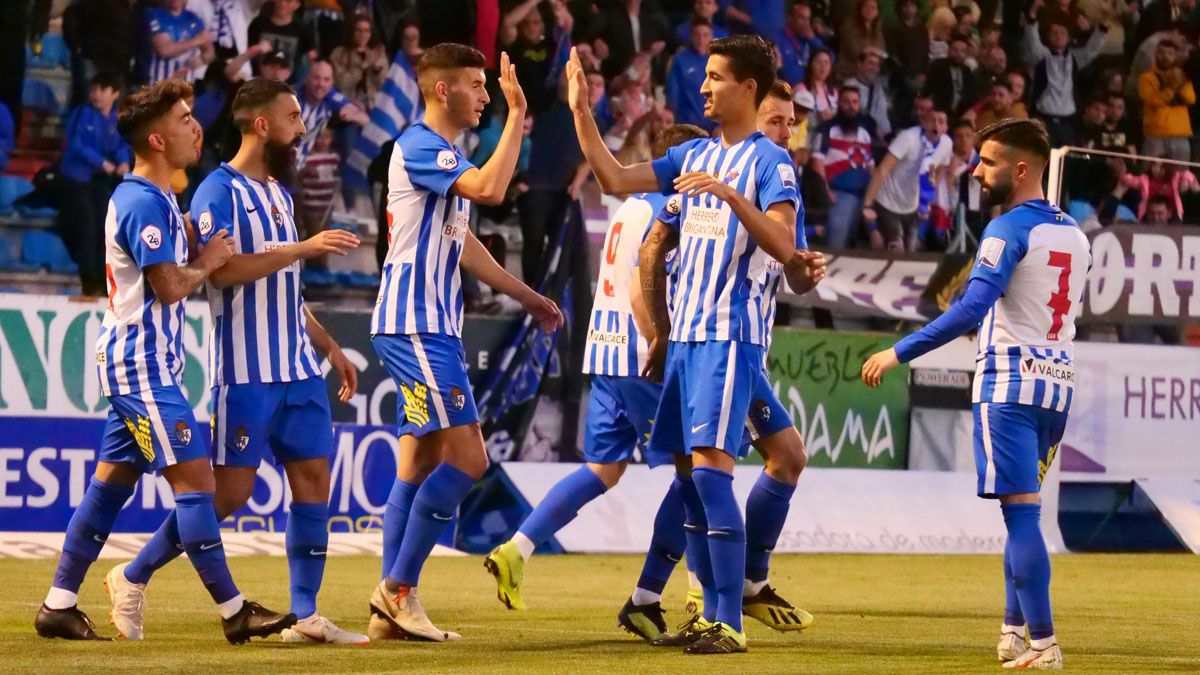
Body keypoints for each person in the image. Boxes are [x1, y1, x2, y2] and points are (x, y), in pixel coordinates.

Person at [563, 34, 815, 654]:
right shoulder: (698, 154)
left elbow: (785, 244)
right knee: (709, 471)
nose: (703, 87)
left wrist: (731, 197)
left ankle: (725, 615)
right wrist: (579, 112)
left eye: (716, 77)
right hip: (687, 341)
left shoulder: (768, 163)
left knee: (708, 475)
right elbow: (615, 177)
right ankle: (730, 593)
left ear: (747, 89)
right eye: (704, 76)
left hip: (728, 338)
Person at [101, 77, 365, 644]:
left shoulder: (278, 193)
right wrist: (304, 247)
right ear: (263, 124)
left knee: (315, 479)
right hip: (247, 371)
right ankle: (132, 573)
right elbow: (221, 271)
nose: (302, 129)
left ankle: (305, 613)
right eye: (293, 118)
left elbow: (286, 287)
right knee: (229, 494)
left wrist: (326, 345)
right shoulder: (216, 190)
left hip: (298, 368)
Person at [33, 78, 294, 644]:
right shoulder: (140, 201)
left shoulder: (158, 198)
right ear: (156, 139)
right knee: (198, 482)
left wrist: (203, 258)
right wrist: (210, 260)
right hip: (141, 364)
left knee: (109, 489)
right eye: (183, 120)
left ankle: (58, 604)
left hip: (147, 364)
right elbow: (172, 287)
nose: (196, 127)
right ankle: (233, 611)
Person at [862, 117, 1090, 670]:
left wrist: (899, 351)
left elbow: (970, 308)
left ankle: (1044, 643)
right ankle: (1015, 630)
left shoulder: (1008, 230)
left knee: (1020, 517)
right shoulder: (1075, 234)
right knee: (1025, 512)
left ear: (1019, 169)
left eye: (988, 162)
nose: (977, 170)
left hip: (1009, 382)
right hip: (1056, 385)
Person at [367, 44, 562, 642]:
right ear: (441, 90)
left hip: (423, 323)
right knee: (469, 460)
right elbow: (490, 190)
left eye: (487, 87)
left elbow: (463, 243)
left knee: (420, 462)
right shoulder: (423, 144)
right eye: (476, 86)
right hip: (417, 323)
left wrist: (527, 295)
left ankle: (388, 614)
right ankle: (397, 591)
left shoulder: (443, 155)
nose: (484, 95)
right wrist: (516, 114)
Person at [58, 72, 132, 296]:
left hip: (99, 183)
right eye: (94, 89)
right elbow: (77, 145)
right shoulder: (82, 114)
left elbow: (121, 145)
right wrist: (102, 163)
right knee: (86, 225)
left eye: (102, 89)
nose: (96, 94)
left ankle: (104, 280)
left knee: (105, 227)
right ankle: (88, 279)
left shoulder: (117, 120)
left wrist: (123, 162)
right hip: (76, 180)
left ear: (115, 93)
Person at [861, 107, 952, 251]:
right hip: (888, 201)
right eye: (932, 120)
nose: (936, 125)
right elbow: (883, 169)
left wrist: (928, 196)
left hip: (913, 205)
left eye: (941, 121)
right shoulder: (908, 138)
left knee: (912, 249)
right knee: (897, 248)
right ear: (924, 123)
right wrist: (867, 204)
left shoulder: (947, 144)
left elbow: (942, 168)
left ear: (946, 127)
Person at [1022, 8, 1106, 148]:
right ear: (1048, 36)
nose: (1058, 36)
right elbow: (1033, 42)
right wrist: (1031, 18)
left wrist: (1103, 28)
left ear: (1068, 37)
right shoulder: (1042, 56)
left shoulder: (1074, 58)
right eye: (1054, 33)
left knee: (1066, 164)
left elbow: (1092, 49)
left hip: (1068, 123)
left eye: (1062, 33)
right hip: (1044, 120)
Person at [810, 84, 875, 249]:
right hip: (839, 194)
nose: (851, 106)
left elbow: (871, 166)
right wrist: (826, 192)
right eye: (846, 102)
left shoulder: (865, 132)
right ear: (838, 104)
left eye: (855, 102)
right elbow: (817, 163)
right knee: (837, 241)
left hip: (865, 195)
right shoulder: (825, 129)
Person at [296, 60, 368, 171]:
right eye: (316, 78)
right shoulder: (292, 98)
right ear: (307, 78)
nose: (321, 84)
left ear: (332, 82)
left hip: (299, 164)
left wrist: (353, 115)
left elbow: (365, 120)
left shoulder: (330, 96)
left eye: (326, 79)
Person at [1138, 38, 1195, 162]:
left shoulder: (1183, 77)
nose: (1165, 57)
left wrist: (1180, 82)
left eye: (1170, 54)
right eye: (1161, 52)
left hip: (1180, 134)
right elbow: (1153, 101)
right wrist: (1171, 87)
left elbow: (1191, 99)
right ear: (1155, 55)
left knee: (1181, 176)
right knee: (1149, 174)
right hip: (1155, 134)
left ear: (1175, 57)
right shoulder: (1146, 78)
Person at [141, 0, 214, 85]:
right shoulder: (154, 15)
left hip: (186, 85)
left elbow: (210, 52)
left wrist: (202, 60)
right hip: (159, 84)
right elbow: (164, 50)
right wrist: (196, 41)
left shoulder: (193, 18)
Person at [330, 13, 389, 112]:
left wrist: (376, 70)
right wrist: (363, 65)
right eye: (358, 30)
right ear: (351, 31)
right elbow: (342, 84)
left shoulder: (378, 53)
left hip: (374, 106)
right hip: (347, 105)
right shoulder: (338, 53)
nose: (363, 35)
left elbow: (384, 86)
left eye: (367, 31)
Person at [666, 19, 716, 131]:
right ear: (691, 37)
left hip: (715, 126)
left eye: (705, 35)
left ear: (711, 37)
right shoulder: (680, 59)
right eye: (697, 35)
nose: (701, 40)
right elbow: (672, 97)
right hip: (687, 125)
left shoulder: (719, 60)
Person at [248, 0, 313, 75]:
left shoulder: (303, 29)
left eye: (288, 1)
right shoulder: (258, 24)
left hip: (290, 83)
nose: (282, 3)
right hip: (257, 79)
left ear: (297, 5)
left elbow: (310, 56)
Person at [926, 33, 983, 118]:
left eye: (962, 51)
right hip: (937, 114)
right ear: (948, 51)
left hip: (959, 117)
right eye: (955, 50)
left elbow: (972, 97)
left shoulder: (967, 72)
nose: (958, 54)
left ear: (966, 54)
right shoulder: (937, 67)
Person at [776, 0, 828, 87]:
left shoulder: (809, 39)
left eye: (808, 18)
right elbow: (787, 74)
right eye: (801, 17)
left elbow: (830, 58)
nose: (806, 23)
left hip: (808, 92)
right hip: (788, 90)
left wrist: (813, 39)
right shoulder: (779, 40)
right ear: (790, 17)